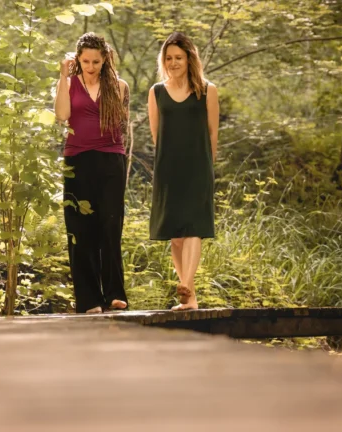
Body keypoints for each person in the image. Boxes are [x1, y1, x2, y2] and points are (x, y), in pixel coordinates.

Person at [54, 33, 130, 314]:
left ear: (105, 59)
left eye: (96, 61)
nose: (90, 66)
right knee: (80, 229)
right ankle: (88, 299)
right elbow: (62, 115)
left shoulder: (119, 86)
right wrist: (63, 76)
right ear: (77, 59)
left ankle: (114, 294)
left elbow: (120, 125)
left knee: (110, 227)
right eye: (85, 61)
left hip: (111, 160)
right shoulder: (70, 84)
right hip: (78, 160)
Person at [147, 32, 219, 311]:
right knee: (175, 235)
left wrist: (208, 168)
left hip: (198, 167)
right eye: (169, 58)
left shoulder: (207, 90)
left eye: (179, 57)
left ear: (190, 59)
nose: (174, 62)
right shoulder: (156, 92)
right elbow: (157, 135)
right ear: (163, 61)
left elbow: (213, 133)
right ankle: (190, 298)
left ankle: (187, 285)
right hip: (168, 169)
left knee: (193, 229)